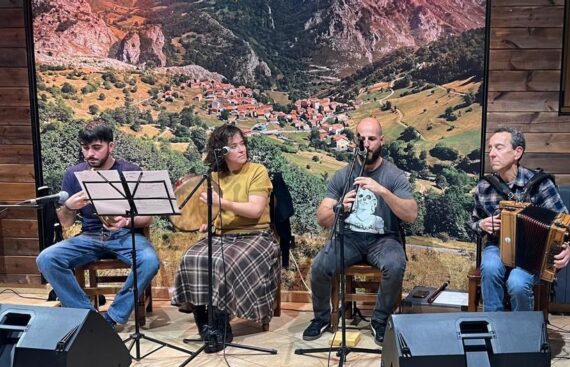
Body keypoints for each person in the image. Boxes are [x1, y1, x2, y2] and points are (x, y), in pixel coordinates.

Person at [302, 117, 417, 345]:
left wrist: (383, 191)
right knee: (320, 265)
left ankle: (380, 320)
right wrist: (339, 207)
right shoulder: (343, 175)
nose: (366, 144)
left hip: (383, 239)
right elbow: (322, 218)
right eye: (361, 139)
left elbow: (411, 214)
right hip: (349, 238)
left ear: (381, 141)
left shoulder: (393, 175)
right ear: (355, 141)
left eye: (371, 139)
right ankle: (322, 319)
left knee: (395, 264)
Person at [36, 119, 160, 328]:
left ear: (111, 146)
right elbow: (66, 223)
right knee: (46, 259)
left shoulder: (130, 170)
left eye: (96, 148)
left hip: (125, 236)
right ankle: (88, 316)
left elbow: (147, 218)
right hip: (89, 236)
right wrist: (68, 207)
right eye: (85, 148)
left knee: (149, 261)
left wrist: (127, 221)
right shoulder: (72, 174)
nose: (90, 154)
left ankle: (113, 317)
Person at [172, 124, 279, 353]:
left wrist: (222, 203)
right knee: (191, 257)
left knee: (221, 262)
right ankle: (206, 325)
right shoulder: (212, 177)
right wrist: (207, 222)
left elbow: (255, 211)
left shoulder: (257, 171)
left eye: (242, 144)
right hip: (222, 236)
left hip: (256, 237)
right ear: (221, 151)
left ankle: (221, 327)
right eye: (233, 146)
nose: (241, 150)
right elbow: (209, 213)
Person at [470, 127, 570, 312]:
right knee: (490, 267)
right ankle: (494, 327)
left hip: (534, 253)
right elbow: (473, 223)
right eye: (490, 148)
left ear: (517, 152)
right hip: (498, 245)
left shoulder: (540, 184)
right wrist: (482, 224)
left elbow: (568, 225)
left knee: (517, 283)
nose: (492, 154)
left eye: (499, 148)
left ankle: (521, 333)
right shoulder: (484, 187)